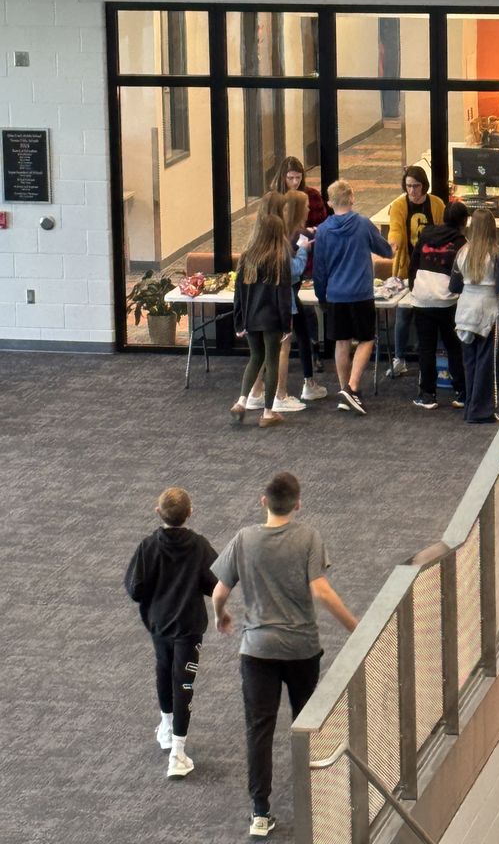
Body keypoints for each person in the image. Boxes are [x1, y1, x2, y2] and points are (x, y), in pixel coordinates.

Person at [211, 471, 357, 840]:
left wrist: (221, 616)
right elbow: (322, 591)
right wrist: (356, 628)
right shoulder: (308, 537)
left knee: (258, 729)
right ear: (298, 504)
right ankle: (317, 799)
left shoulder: (244, 539)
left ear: (263, 501)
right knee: (307, 723)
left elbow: (219, 591)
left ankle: (260, 811)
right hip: (301, 649)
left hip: (257, 651)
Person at [123, 487, 218, 780]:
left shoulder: (148, 546)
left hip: (159, 625)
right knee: (184, 683)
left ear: (157, 512)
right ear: (190, 513)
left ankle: (167, 726)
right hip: (188, 628)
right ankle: (177, 752)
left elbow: (135, 589)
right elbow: (216, 584)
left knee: (163, 672)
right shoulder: (200, 546)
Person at [312, 179, 393, 415]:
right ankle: (353, 387)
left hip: (336, 295)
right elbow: (384, 250)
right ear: (353, 198)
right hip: (361, 293)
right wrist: (393, 247)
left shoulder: (324, 230)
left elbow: (320, 269)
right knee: (367, 339)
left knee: (342, 342)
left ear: (329, 203)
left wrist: (321, 296)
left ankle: (343, 390)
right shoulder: (363, 224)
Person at [246, 191, 326, 412]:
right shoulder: (281, 238)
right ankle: (280, 395)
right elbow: (292, 271)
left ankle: (255, 392)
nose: (309, 210)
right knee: (281, 347)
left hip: (260, 300)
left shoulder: (258, 235)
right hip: (281, 298)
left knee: (264, 350)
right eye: (306, 206)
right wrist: (303, 251)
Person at [231, 214, 293, 428]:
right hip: (272, 320)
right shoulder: (279, 259)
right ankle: (268, 412)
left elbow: (238, 293)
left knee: (255, 357)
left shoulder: (247, 257)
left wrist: (239, 321)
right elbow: (284, 297)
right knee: (272, 360)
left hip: (250, 318)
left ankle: (241, 402)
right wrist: (287, 325)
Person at [449, 207, 499, 423]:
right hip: (487, 311)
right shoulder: (496, 254)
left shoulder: (462, 253)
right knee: (487, 364)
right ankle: (482, 411)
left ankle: (470, 408)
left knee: (470, 363)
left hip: (465, 310)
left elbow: (454, 285)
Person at [408, 200, 469, 409]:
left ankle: (427, 395)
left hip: (422, 298)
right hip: (448, 301)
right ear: (464, 221)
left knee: (426, 348)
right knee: (454, 347)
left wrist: (414, 288)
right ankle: (461, 392)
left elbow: (413, 264)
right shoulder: (462, 243)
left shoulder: (425, 235)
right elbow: (463, 275)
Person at [386, 165, 445, 378]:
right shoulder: (399, 205)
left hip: (432, 268)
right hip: (407, 268)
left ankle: (436, 359)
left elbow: (443, 231)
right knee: (403, 313)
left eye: (416, 186)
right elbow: (396, 229)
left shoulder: (436, 204)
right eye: (409, 186)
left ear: (424, 186)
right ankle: (399, 358)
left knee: (433, 312)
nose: (412, 191)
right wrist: (393, 243)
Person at [271, 156, 327, 231]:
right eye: (291, 178)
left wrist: (311, 230)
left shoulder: (313, 195)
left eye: (298, 177)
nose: (295, 182)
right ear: (283, 178)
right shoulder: (274, 198)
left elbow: (322, 223)